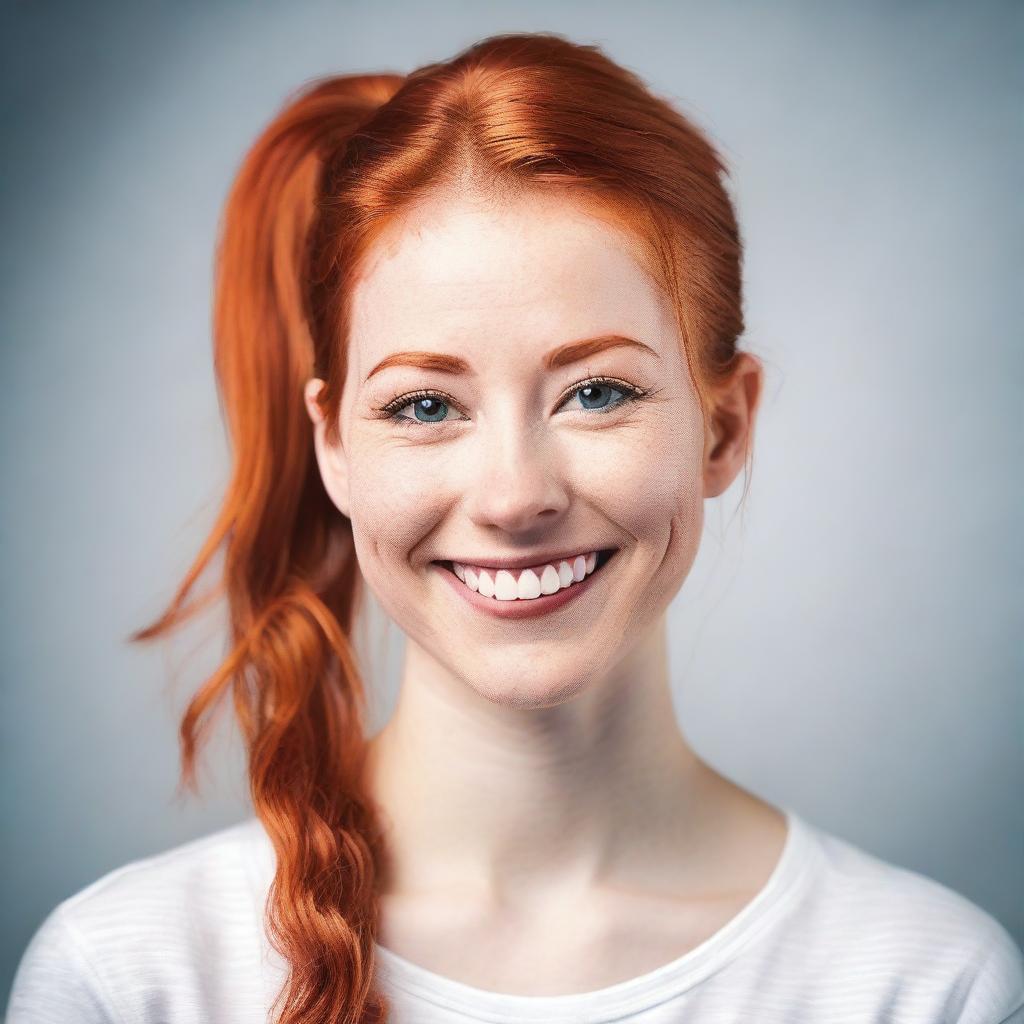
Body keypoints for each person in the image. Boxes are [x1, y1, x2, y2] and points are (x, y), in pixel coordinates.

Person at [6, 30, 1023, 1024]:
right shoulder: (126, 981)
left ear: (723, 425)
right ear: (334, 447)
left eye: (595, 392)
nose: (513, 495)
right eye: (422, 406)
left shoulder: (925, 985)